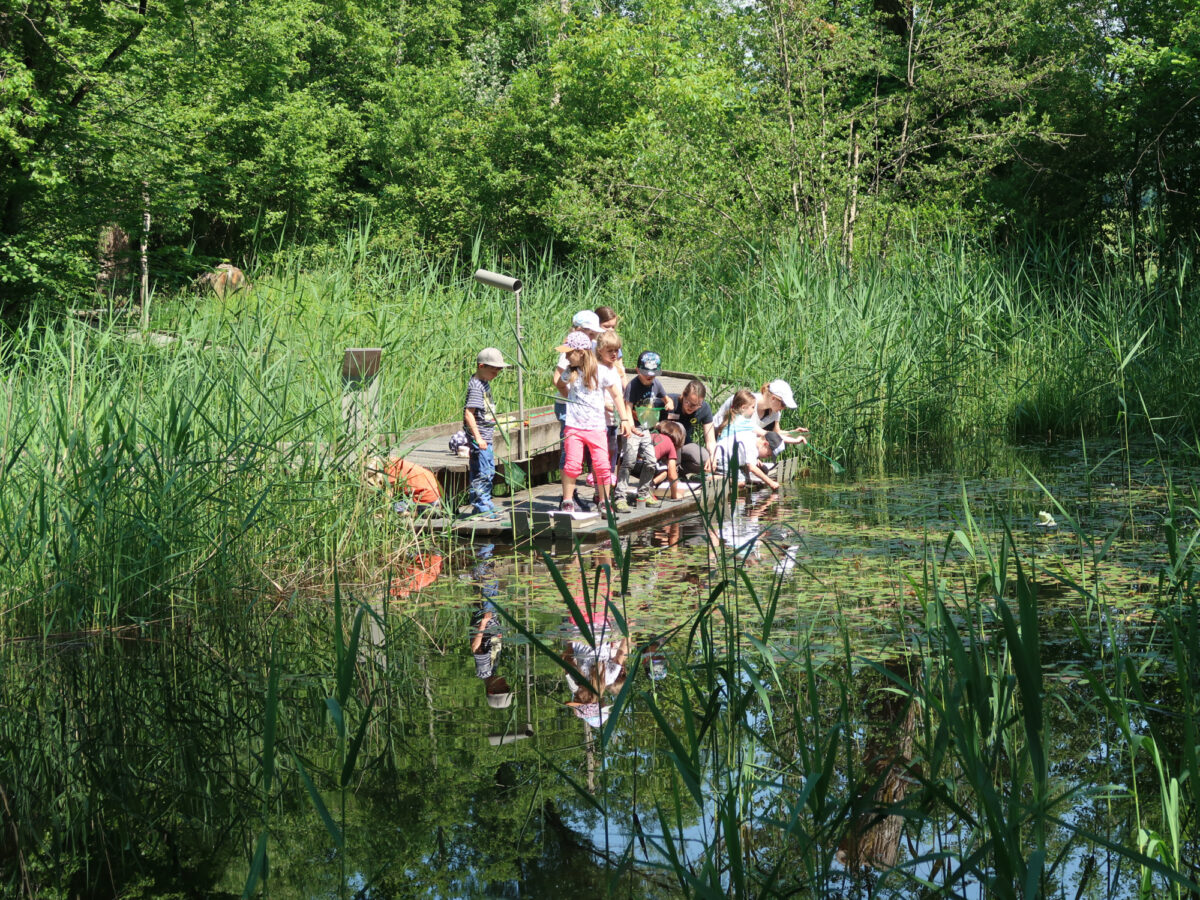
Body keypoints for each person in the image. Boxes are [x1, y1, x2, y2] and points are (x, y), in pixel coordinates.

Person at [553, 332, 631, 513]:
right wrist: (570, 398)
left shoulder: (601, 371)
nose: (566, 357)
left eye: (569, 353)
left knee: (602, 465)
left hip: (596, 428)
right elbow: (559, 384)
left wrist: (624, 419)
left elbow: (616, 395)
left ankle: (604, 501)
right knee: (572, 465)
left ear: (581, 352)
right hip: (574, 427)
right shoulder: (570, 371)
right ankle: (567, 501)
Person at [554, 310, 604, 510]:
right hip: (569, 408)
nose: (593, 337)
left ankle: (595, 494)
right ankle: (568, 496)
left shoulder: (591, 348)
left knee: (589, 455)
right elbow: (557, 379)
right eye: (590, 333)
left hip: (590, 413)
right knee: (570, 454)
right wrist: (571, 398)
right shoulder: (570, 351)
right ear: (579, 330)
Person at [615, 350, 673, 508]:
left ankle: (644, 493)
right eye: (646, 374)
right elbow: (627, 408)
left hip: (645, 427)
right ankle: (620, 496)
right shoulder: (633, 386)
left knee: (651, 461)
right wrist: (630, 426)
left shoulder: (656, 384)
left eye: (653, 374)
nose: (650, 377)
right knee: (629, 461)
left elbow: (666, 398)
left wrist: (668, 403)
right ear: (638, 370)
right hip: (632, 427)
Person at [463, 347, 511, 517]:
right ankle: (481, 506)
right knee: (483, 473)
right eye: (493, 370)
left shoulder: (484, 383)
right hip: (481, 438)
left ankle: (485, 503)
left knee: (489, 471)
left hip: (486, 437)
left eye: (498, 370)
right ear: (481, 366)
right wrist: (478, 438)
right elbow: (469, 413)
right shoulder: (477, 387)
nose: (496, 374)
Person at [715, 379, 809, 446]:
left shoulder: (775, 413)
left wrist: (793, 433)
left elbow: (776, 433)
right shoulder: (746, 404)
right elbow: (767, 434)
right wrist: (795, 441)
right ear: (773, 398)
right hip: (719, 439)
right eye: (783, 404)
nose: (783, 408)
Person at [594, 330, 629, 507]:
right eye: (610, 351)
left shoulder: (615, 369)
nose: (614, 354)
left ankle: (609, 488)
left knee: (614, 454)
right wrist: (606, 405)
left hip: (614, 420)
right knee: (602, 457)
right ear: (600, 350)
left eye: (616, 350)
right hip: (601, 420)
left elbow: (620, 393)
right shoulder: (597, 369)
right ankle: (599, 491)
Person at [659, 379, 717, 476]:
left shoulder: (704, 409)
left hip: (684, 446)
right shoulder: (669, 401)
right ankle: (665, 470)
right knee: (678, 428)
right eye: (688, 402)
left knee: (704, 459)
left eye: (696, 405)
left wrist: (713, 456)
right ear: (683, 395)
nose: (691, 407)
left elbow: (710, 440)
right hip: (663, 446)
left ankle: (678, 472)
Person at [363, 455, 443, 513]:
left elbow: (387, 501)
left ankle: (415, 513)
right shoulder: (395, 463)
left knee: (395, 508)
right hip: (436, 495)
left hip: (428, 499)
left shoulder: (390, 471)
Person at [714, 429, 784, 491]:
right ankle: (714, 478)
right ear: (765, 444)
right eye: (768, 455)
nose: (767, 457)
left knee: (743, 480)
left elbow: (746, 465)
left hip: (729, 460)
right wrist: (770, 482)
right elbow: (752, 468)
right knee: (740, 482)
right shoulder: (752, 446)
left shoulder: (752, 438)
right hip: (721, 459)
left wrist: (749, 480)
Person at [651, 419, 686, 500]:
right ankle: (650, 486)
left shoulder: (651, 435)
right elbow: (672, 475)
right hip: (645, 464)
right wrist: (675, 495)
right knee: (666, 471)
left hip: (629, 462)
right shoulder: (670, 443)